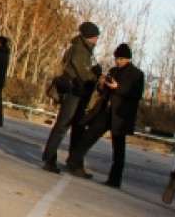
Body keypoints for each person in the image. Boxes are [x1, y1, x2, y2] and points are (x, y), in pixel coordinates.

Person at [64, 43, 145, 187]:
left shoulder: (137, 74)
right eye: (117, 59)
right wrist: (101, 85)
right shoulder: (113, 71)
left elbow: (136, 94)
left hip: (120, 116)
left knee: (118, 149)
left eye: (121, 59)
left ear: (128, 59)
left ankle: (114, 180)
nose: (118, 62)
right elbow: (104, 92)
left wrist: (118, 87)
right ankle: (72, 162)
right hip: (105, 111)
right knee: (87, 137)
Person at [41, 21, 100, 173]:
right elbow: (84, 74)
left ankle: (74, 162)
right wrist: (95, 76)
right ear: (89, 37)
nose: (97, 39)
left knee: (77, 126)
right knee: (63, 125)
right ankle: (50, 158)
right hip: (74, 92)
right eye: (95, 36)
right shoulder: (80, 50)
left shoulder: (84, 49)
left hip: (79, 92)